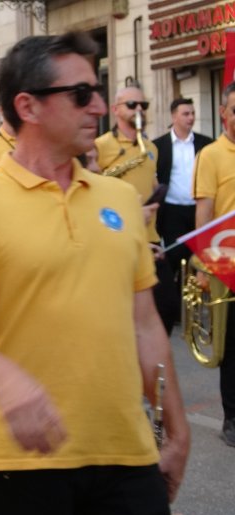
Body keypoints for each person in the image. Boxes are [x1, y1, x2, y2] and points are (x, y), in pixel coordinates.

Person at [0, 31, 189, 515]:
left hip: (125, 452)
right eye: (81, 93)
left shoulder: (117, 198)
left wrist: (177, 432)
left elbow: (145, 326)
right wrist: (6, 379)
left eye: (100, 90)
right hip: (21, 460)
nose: (99, 105)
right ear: (29, 105)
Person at [96, 87, 178, 332]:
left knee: (166, 308)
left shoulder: (150, 148)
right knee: (125, 319)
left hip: (149, 240)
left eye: (144, 105)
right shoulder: (100, 146)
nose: (139, 109)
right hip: (117, 239)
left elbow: (150, 181)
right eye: (132, 104)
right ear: (115, 109)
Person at [193, 81, 235, 448]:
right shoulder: (211, 155)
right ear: (224, 113)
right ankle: (232, 417)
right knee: (231, 346)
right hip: (226, 259)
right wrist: (203, 267)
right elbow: (204, 213)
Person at [155, 97, 212, 284]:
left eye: (193, 113)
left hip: (198, 210)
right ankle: (178, 306)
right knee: (175, 259)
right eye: (186, 114)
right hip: (173, 212)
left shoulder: (206, 144)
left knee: (199, 259)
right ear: (174, 117)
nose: (191, 118)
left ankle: (196, 302)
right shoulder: (159, 146)